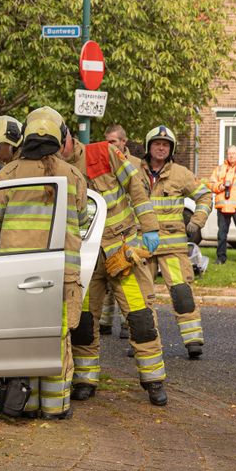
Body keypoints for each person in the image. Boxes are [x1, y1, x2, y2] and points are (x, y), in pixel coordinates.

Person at [0, 106, 88, 420]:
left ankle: (24, 405)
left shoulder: (10, 173)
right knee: (57, 338)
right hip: (61, 273)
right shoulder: (73, 175)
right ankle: (55, 408)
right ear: (59, 134)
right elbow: (82, 216)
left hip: (17, 273)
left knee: (22, 336)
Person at [60, 127, 168, 406]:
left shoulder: (102, 152)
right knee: (83, 322)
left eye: (61, 143)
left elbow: (136, 187)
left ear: (69, 137)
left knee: (140, 318)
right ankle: (85, 380)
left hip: (121, 249)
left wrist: (150, 227)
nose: (59, 149)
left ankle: (154, 381)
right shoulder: (54, 168)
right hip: (85, 255)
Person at [141, 126, 213, 359]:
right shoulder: (135, 172)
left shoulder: (180, 173)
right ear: (148, 147)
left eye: (166, 144)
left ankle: (193, 341)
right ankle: (144, 342)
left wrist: (197, 220)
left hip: (172, 248)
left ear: (171, 149)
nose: (161, 148)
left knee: (182, 293)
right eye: (157, 143)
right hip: (142, 248)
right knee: (141, 297)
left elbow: (205, 195)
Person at [99, 124, 135, 338]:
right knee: (106, 277)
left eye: (112, 142)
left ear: (123, 142)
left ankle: (126, 324)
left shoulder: (135, 164)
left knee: (125, 276)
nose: (109, 146)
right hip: (108, 228)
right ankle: (104, 321)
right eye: (106, 142)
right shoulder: (103, 164)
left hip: (129, 228)